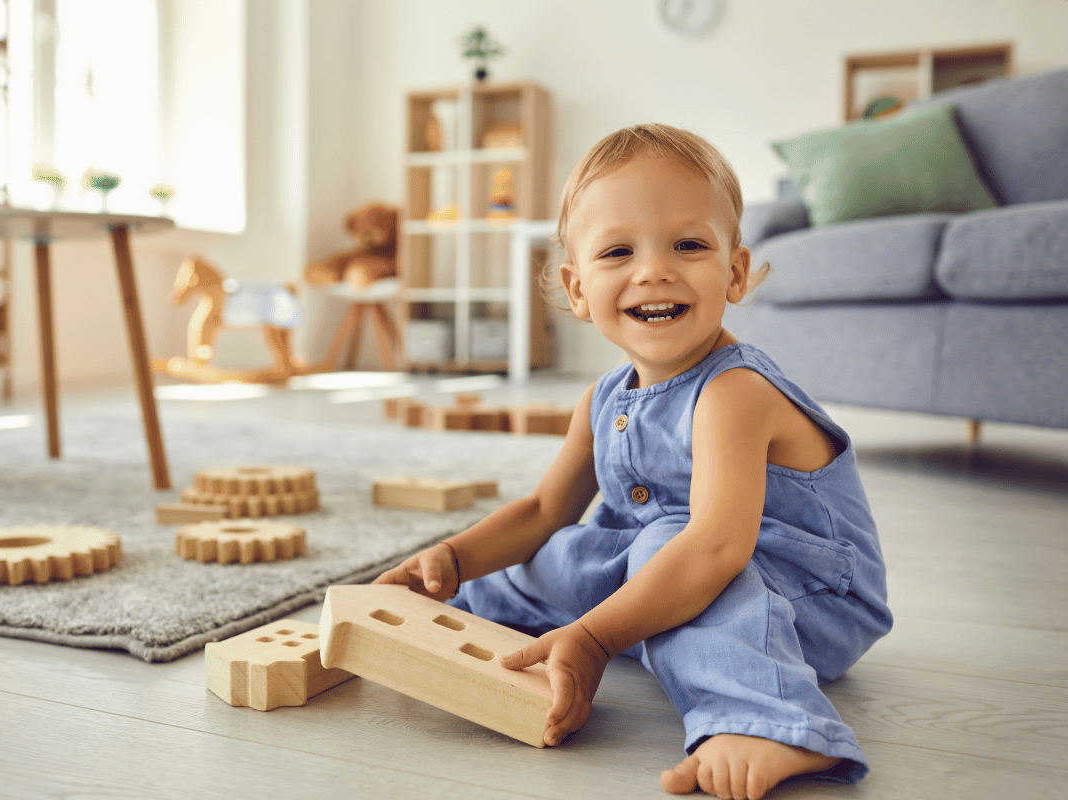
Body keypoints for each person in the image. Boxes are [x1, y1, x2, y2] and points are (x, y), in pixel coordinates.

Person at [375, 123, 892, 800]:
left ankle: (767, 722)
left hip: (806, 598)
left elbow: (713, 548)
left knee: (663, 553)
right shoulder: (602, 397)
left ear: (733, 272)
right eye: (617, 251)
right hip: (667, 555)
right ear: (579, 288)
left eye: (688, 244)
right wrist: (454, 559)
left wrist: (592, 640)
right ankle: (464, 607)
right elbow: (541, 511)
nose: (654, 270)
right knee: (564, 553)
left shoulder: (734, 392)